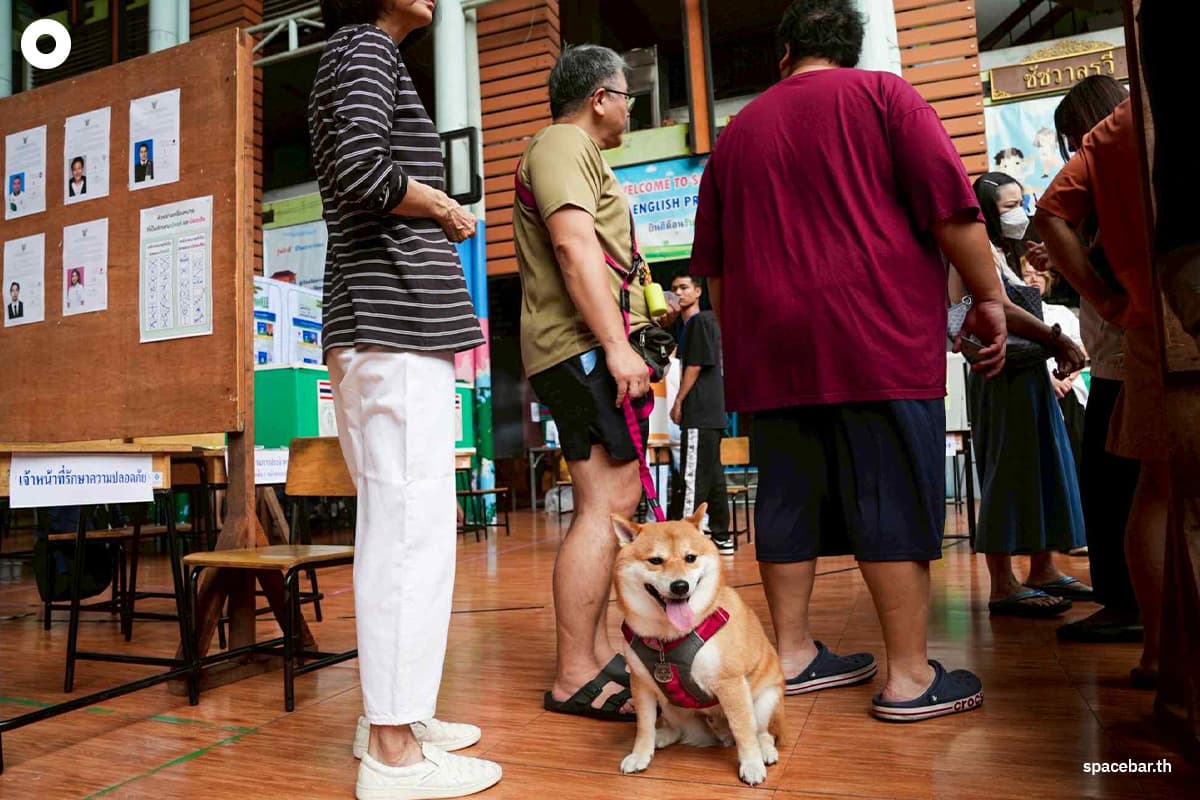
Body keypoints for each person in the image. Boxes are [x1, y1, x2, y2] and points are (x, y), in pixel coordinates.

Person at [692, 0, 1007, 721]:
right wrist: (989, 296)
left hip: (773, 351)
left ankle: (792, 654)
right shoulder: (885, 96)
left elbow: (716, 269)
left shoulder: (737, 136)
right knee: (890, 492)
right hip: (876, 334)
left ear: (784, 53)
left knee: (786, 497)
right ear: (851, 51)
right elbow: (952, 211)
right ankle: (909, 678)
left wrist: (748, 341)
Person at [308, 1, 502, 796]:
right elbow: (363, 171)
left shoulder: (354, 54)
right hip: (391, 320)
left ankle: (397, 720)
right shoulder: (365, 48)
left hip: (376, 320)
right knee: (408, 532)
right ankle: (392, 753)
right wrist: (444, 206)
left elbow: (355, 166)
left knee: (401, 525)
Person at [513, 43, 677, 724]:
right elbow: (574, 247)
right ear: (600, 98)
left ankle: (596, 650)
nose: (631, 109)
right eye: (627, 96)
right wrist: (615, 346)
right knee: (603, 503)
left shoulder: (578, 152)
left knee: (613, 499)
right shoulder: (561, 143)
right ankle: (573, 672)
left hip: (583, 344)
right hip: (579, 347)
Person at [1034, 97, 1169, 689]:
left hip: (1136, 326)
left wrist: (1101, 296)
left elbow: (1049, 213)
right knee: (1139, 488)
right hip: (1123, 337)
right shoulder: (1125, 123)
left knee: (1147, 489)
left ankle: (1157, 646)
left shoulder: (1114, 132)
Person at [955, 173, 1089, 620]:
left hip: (1028, 371)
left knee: (1042, 467)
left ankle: (1043, 567)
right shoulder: (970, 250)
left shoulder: (1005, 252)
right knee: (1007, 469)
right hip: (1002, 372)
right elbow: (995, 308)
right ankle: (1002, 583)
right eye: (1009, 206)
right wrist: (1056, 339)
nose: (1020, 214)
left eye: (1021, 203)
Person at [667, 273, 733, 555]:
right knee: (714, 476)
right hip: (712, 413)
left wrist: (679, 401)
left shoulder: (700, 321)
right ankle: (722, 536)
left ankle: (683, 539)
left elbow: (694, 366)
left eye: (684, 287)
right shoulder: (698, 325)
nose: (678, 293)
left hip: (700, 412)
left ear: (697, 291)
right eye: (674, 289)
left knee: (691, 478)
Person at [1021, 258, 1087, 473]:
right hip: (1034, 392)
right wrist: (1048, 380)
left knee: (1077, 458)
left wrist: (1065, 381)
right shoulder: (1017, 318)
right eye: (1027, 274)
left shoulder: (1061, 313)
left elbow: (1083, 349)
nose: (1034, 279)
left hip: (1068, 393)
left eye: (1040, 274)